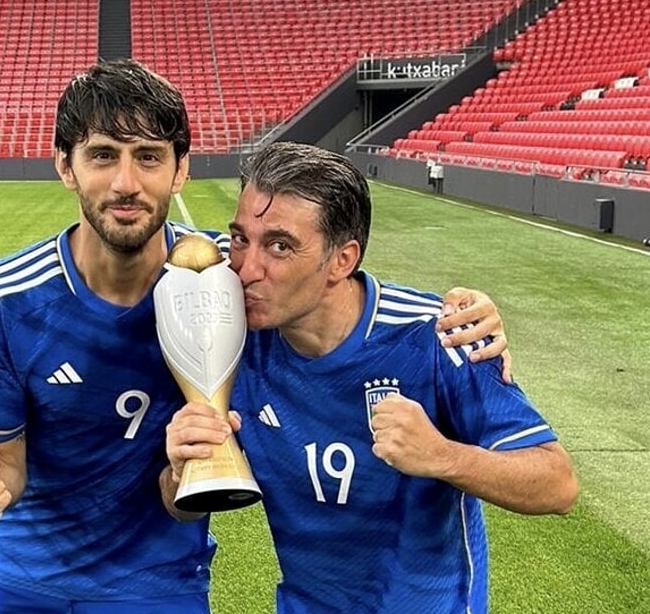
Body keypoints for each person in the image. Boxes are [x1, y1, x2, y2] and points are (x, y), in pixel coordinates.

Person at [0, 59, 513, 614]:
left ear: (180, 170)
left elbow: (324, 281)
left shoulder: (228, 278)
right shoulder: (6, 298)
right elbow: (4, 461)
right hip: (27, 578)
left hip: (160, 581)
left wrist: (463, 318)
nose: (125, 183)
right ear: (66, 167)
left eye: (148, 157)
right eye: (102, 156)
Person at [164, 141, 578, 614]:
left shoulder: (437, 335)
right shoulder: (228, 333)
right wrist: (181, 471)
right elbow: (179, 506)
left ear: (342, 260)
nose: (246, 268)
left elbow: (557, 483)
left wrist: (443, 456)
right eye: (240, 238)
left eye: (280, 246)